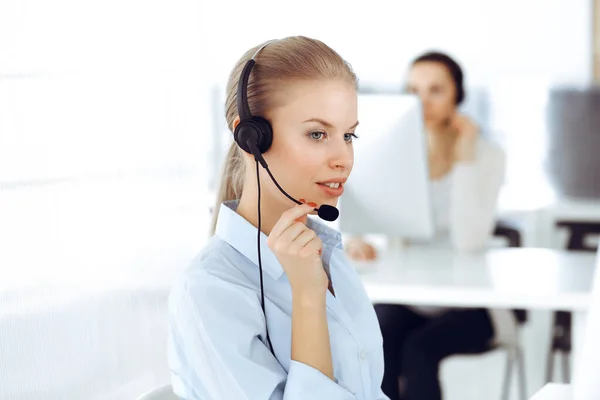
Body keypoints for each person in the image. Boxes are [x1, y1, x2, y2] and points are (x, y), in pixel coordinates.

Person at [167, 36, 389, 400]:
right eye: (317, 134)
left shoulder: (328, 252)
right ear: (251, 139)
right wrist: (307, 297)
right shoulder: (210, 292)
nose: (343, 159)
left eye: (348, 134)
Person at [345, 52, 509, 400]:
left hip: (471, 305)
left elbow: (467, 240)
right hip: (412, 296)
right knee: (375, 342)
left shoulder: (486, 154)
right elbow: (373, 211)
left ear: (457, 97)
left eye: (435, 90)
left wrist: (464, 158)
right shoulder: (395, 153)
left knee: (419, 351)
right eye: (413, 89)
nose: (422, 101)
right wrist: (360, 238)